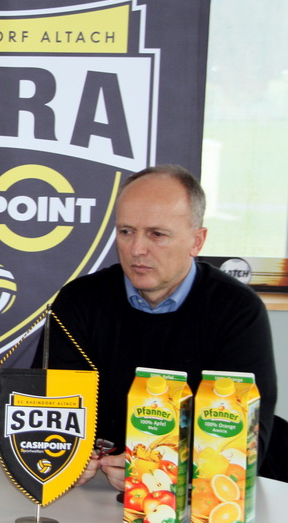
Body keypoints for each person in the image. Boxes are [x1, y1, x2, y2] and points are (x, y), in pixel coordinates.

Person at [32, 164, 277, 489]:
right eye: (126, 231)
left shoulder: (237, 310)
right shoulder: (78, 300)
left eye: (157, 234)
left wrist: (162, 469)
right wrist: (65, 455)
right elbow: (42, 410)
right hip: (90, 491)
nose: (137, 249)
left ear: (197, 241)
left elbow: (244, 443)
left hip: (195, 498)